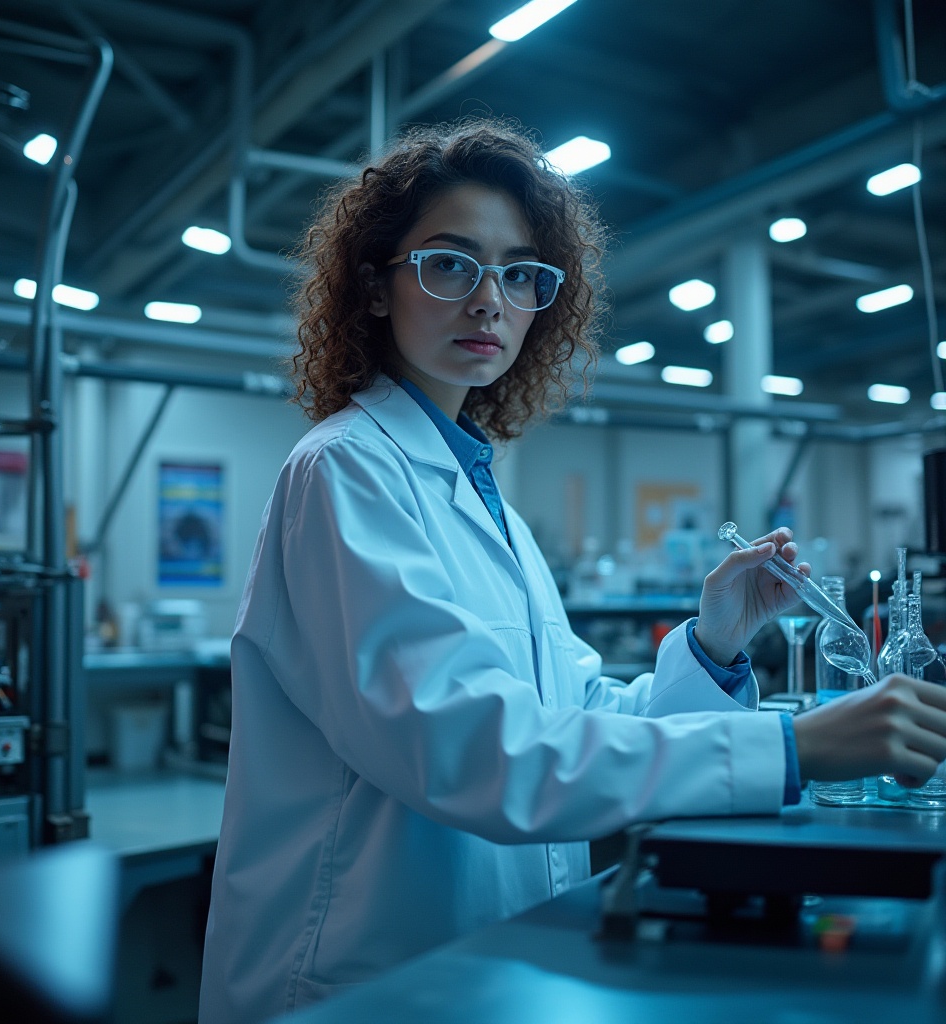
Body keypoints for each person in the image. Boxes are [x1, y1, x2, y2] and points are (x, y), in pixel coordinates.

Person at [198, 118, 946, 1023]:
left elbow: (572, 718)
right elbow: (477, 749)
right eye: (450, 263)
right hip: (353, 977)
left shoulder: (482, 499)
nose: (490, 302)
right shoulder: (345, 471)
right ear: (373, 286)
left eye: (520, 274)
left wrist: (713, 642)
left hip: (476, 961)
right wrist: (792, 747)